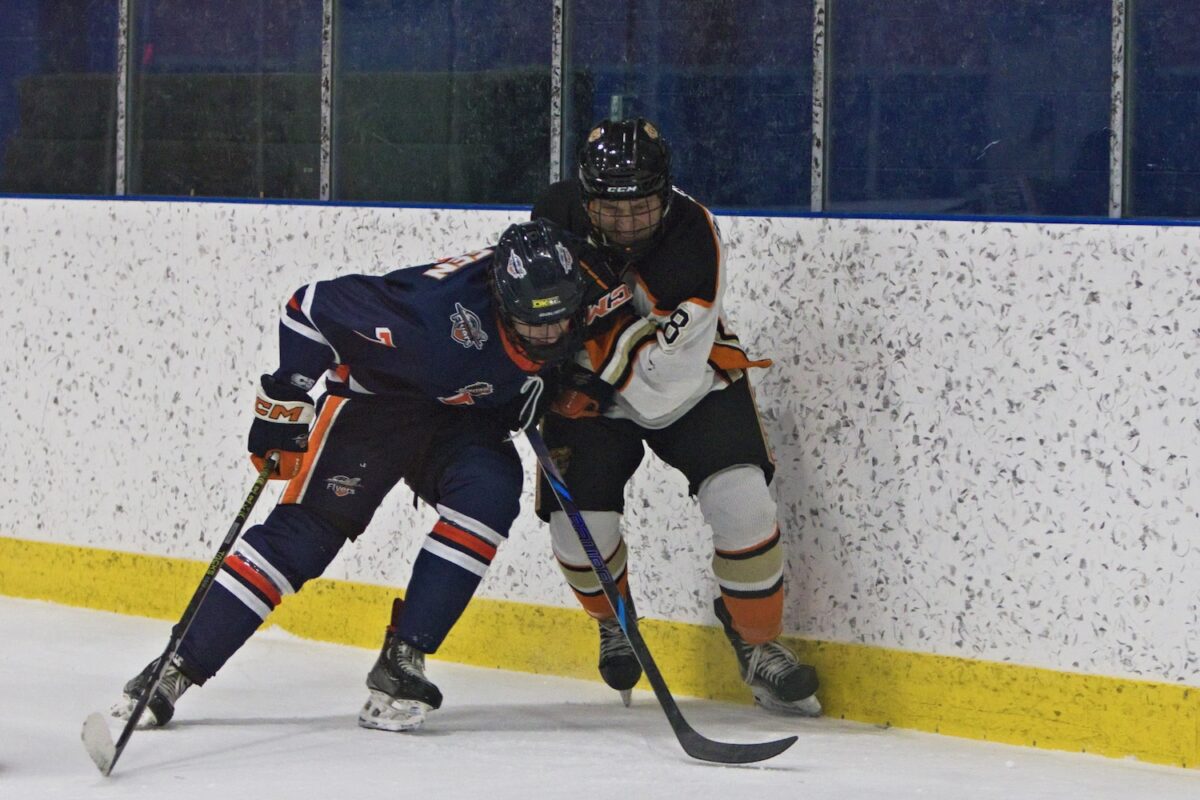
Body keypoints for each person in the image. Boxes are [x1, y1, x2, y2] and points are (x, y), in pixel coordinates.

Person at [111, 219, 589, 732]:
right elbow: (309, 308)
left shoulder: (570, 294)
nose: (548, 335)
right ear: (500, 298)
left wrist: (549, 386)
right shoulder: (428, 317)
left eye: (558, 322)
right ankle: (176, 666)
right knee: (303, 539)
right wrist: (287, 392)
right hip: (375, 408)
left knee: (490, 493)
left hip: (459, 421)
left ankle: (402, 660)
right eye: (532, 323)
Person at [531, 118, 821, 716]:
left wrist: (595, 346)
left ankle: (757, 642)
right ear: (586, 199)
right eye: (612, 211)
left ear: (665, 196)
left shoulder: (693, 235)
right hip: (585, 393)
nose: (627, 224)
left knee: (743, 504)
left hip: (690, 382)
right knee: (578, 532)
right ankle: (614, 622)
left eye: (642, 208)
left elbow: (665, 381)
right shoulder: (553, 218)